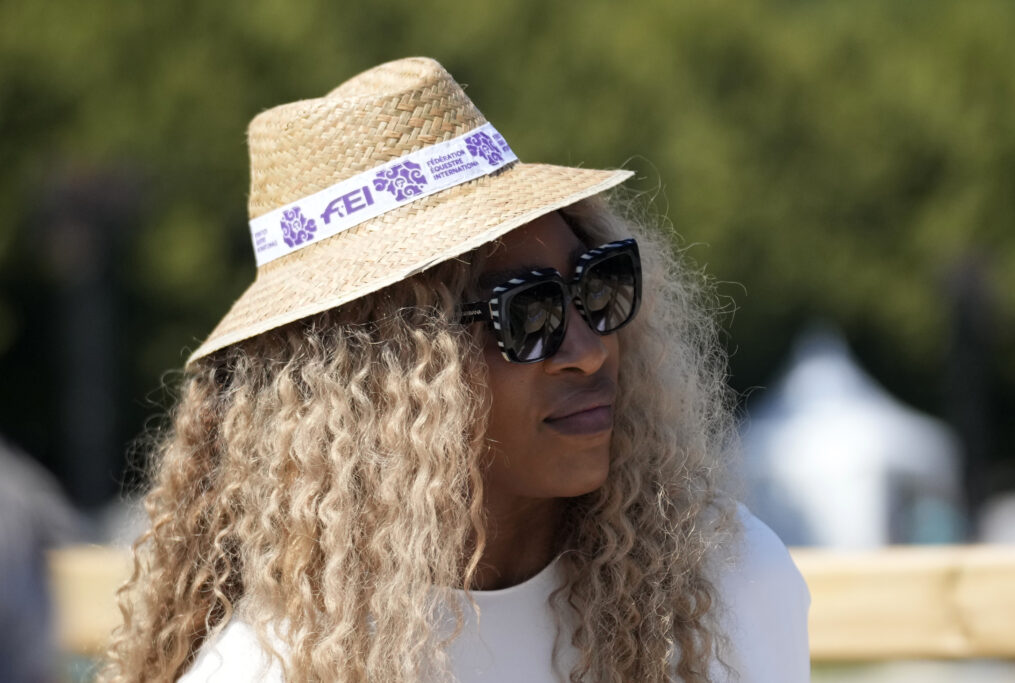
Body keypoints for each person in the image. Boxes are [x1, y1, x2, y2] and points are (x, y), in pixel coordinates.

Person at [103, 57, 809, 682]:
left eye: (598, 286)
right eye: (527, 314)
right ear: (377, 382)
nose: (591, 348)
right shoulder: (270, 668)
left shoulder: (729, 583)